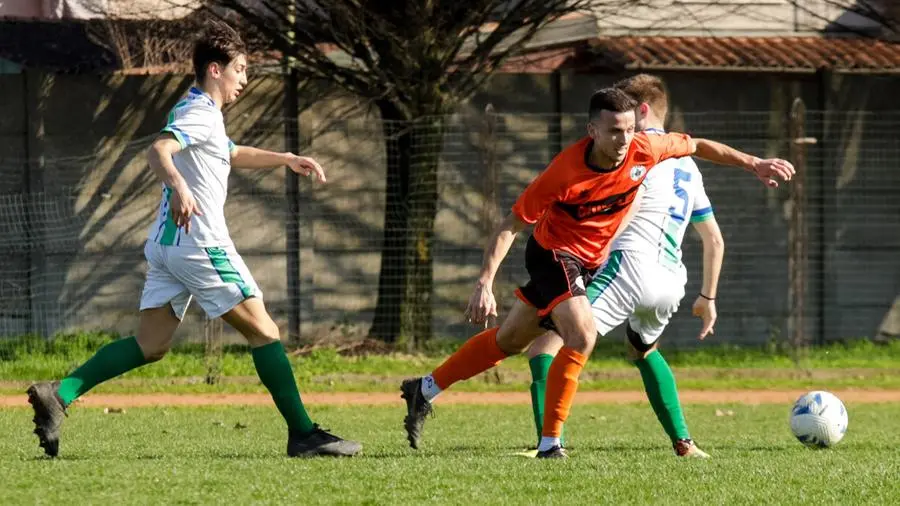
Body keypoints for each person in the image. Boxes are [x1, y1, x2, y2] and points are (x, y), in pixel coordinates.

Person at [400, 86, 794, 459]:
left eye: (628, 129)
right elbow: (510, 225)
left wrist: (753, 163)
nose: (623, 140)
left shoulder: (645, 148)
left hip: (589, 261)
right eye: (613, 132)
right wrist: (485, 282)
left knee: (510, 341)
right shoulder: (564, 171)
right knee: (582, 335)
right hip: (553, 254)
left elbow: (700, 145)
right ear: (592, 130)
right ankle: (551, 444)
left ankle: (424, 388)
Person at [26, 22, 362, 459]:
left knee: (152, 345)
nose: (245, 79)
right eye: (240, 70)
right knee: (265, 331)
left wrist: (285, 158)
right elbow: (159, 150)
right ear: (215, 69)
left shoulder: (198, 109)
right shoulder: (200, 113)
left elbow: (231, 152)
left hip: (168, 246)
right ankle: (303, 434)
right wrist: (181, 188)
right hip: (201, 244)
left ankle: (60, 392)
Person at [524, 73, 724, 458]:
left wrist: (586, 261)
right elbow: (714, 238)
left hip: (628, 266)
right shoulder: (687, 166)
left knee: (544, 347)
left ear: (642, 111)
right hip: (672, 281)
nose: (623, 132)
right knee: (642, 349)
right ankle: (684, 442)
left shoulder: (639, 157)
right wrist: (708, 297)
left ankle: (547, 443)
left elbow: (623, 214)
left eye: (629, 118)